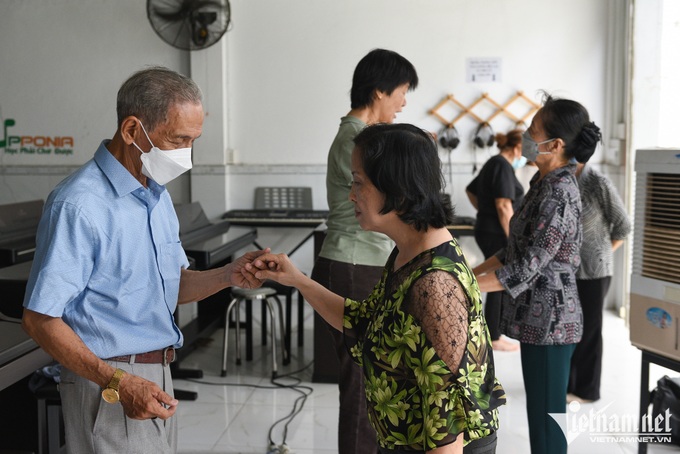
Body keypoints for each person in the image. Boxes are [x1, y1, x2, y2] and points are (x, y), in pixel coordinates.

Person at [21, 66, 267, 453]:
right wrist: (118, 382)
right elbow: (40, 319)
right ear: (132, 131)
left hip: (154, 374)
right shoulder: (80, 204)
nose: (186, 154)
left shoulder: (155, 195)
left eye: (193, 141)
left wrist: (228, 274)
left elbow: (170, 287)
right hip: (109, 383)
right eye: (178, 139)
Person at [248, 123, 505, 454]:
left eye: (358, 183)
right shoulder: (408, 251)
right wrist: (296, 279)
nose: (351, 195)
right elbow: (365, 322)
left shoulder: (435, 284)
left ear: (396, 190)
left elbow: (447, 425)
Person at [473, 94, 601, 454]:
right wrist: (469, 271)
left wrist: (462, 284)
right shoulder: (540, 184)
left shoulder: (559, 193)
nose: (526, 137)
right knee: (540, 418)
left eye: (533, 131)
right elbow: (512, 251)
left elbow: (525, 268)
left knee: (547, 428)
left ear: (555, 145)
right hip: (536, 321)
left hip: (552, 325)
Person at [313, 48, 419, 454]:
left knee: (373, 379)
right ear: (379, 91)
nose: (404, 102)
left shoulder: (365, 139)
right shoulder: (356, 140)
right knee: (363, 380)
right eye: (402, 92)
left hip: (364, 261)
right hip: (355, 262)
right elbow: (394, 196)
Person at [567, 162, 631, 403]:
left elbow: (624, 225)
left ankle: (587, 390)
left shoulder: (597, 182)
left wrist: (602, 254)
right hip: (568, 271)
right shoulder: (561, 179)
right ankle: (569, 384)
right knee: (571, 330)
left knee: (589, 331)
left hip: (595, 272)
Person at [465, 129, 525, 352]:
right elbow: (503, 205)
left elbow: (470, 191)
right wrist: (514, 238)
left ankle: (492, 332)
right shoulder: (501, 165)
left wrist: (484, 211)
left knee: (498, 278)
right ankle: (494, 335)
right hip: (497, 232)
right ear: (517, 148)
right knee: (500, 279)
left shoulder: (494, 163)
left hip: (487, 228)